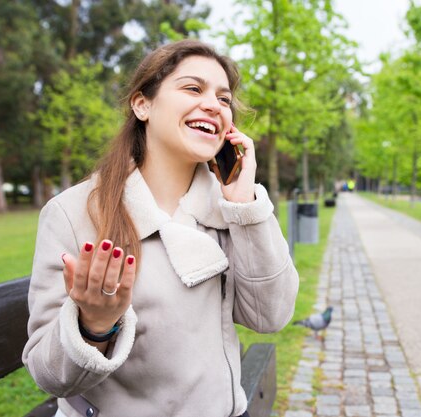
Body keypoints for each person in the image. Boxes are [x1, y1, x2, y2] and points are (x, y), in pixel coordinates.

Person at [22, 39, 299, 417]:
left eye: (223, 98)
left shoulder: (230, 208)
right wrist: (94, 327)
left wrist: (244, 203)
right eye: (192, 88)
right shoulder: (73, 212)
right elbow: (49, 374)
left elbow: (271, 316)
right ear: (142, 104)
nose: (214, 106)